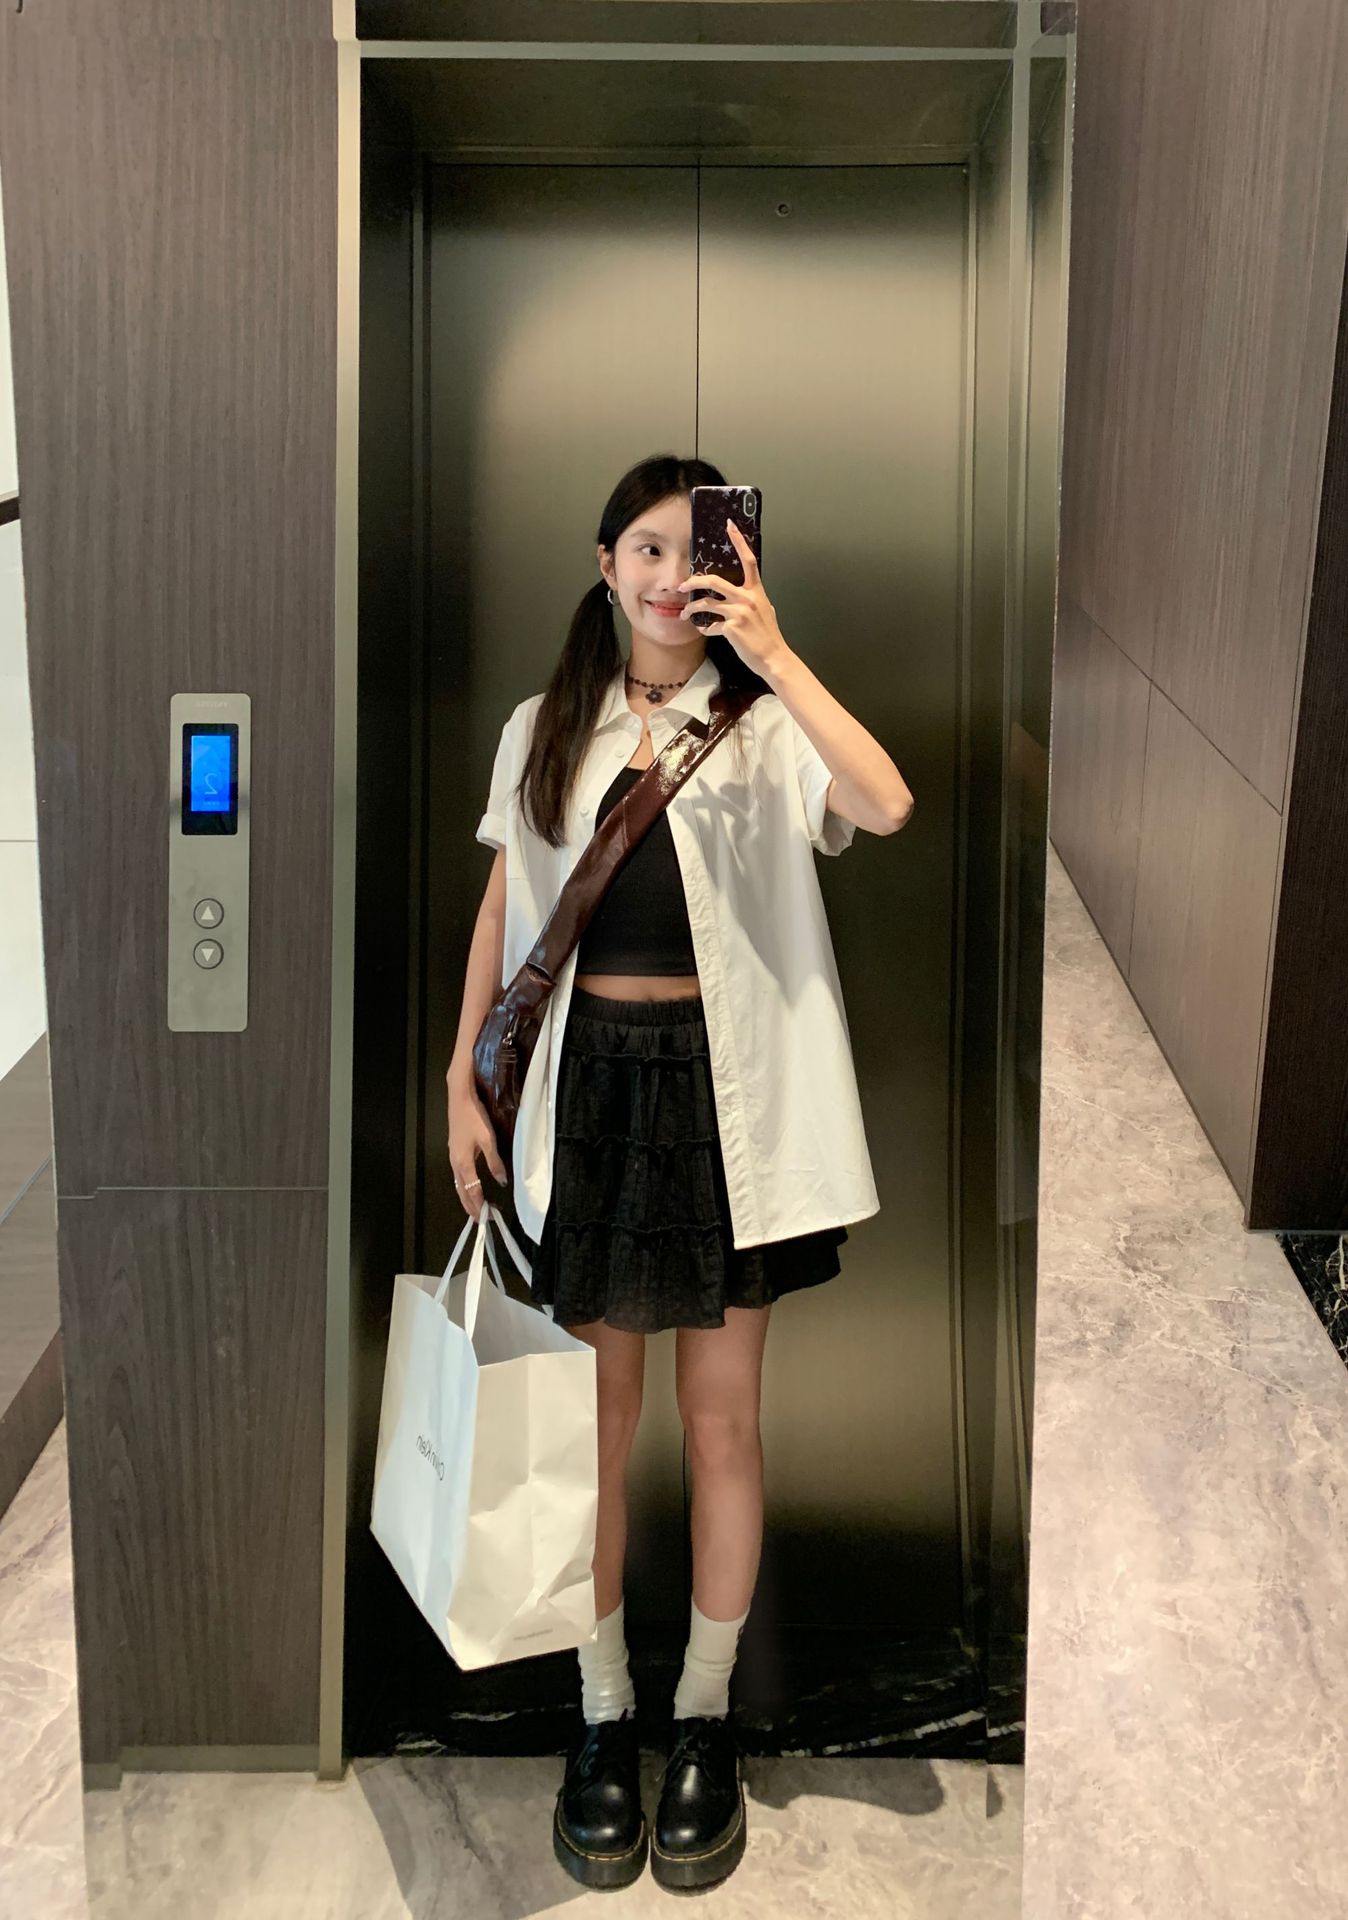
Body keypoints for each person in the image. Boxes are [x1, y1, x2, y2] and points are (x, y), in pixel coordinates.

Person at [445, 453, 913, 1892]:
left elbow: (888, 802)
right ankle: (603, 1716)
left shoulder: (766, 724)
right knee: (590, 1434)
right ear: (604, 567)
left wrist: (772, 652)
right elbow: (507, 903)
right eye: (644, 548)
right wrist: (459, 1080)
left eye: (697, 550)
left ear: (735, 565)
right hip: (581, 1098)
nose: (668, 575)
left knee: (722, 1426)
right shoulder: (544, 726)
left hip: (726, 1107)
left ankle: (701, 1718)